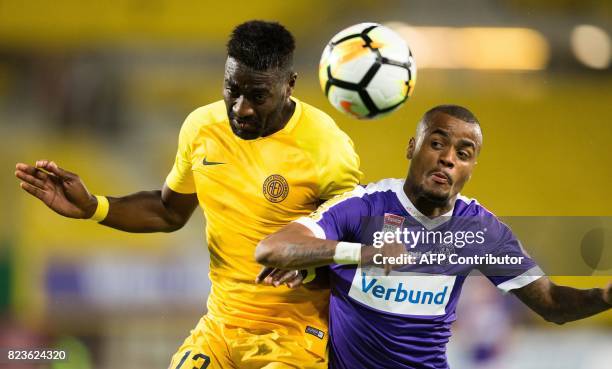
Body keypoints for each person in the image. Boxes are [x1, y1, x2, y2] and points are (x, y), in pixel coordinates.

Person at [14, 20, 362, 369]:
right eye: (232, 89)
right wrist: (94, 206)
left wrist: (311, 263)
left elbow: (361, 240)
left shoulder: (326, 147)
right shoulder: (201, 128)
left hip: (294, 334)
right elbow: (169, 211)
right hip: (221, 327)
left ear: (289, 85)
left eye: (257, 96)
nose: (241, 108)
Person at [255, 104, 612, 369]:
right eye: (437, 144)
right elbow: (273, 248)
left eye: (463, 153)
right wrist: (361, 253)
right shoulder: (363, 207)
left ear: (471, 168)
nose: (448, 160)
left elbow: (551, 304)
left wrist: (605, 294)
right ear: (412, 147)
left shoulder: (480, 230)